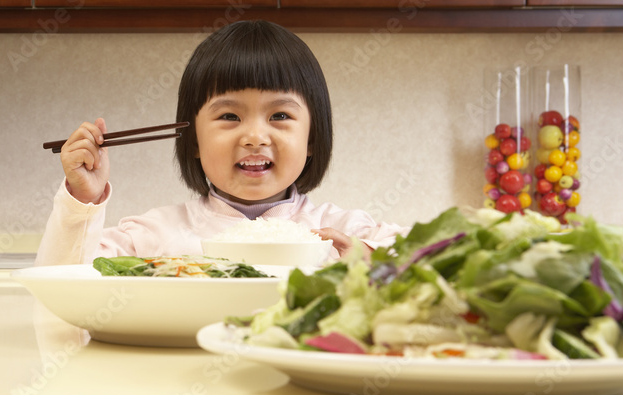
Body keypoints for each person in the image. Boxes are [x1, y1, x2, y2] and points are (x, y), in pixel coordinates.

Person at [36, 20, 407, 266]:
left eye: (279, 116)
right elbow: (63, 281)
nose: (255, 137)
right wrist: (82, 200)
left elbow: (432, 260)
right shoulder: (156, 235)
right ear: (193, 139)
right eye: (229, 116)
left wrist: (371, 259)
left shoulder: (343, 231)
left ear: (312, 138)